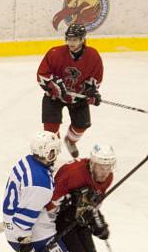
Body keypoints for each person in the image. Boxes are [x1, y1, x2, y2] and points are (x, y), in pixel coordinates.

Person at [36, 23, 104, 158]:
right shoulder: (55, 53)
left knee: (81, 125)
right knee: (50, 130)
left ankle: (70, 141)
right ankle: (52, 153)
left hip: (77, 97)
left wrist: (91, 92)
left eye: (75, 40)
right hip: (53, 97)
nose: (71, 43)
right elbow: (42, 75)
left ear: (83, 39)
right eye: (69, 39)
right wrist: (54, 84)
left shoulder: (93, 56)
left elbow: (95, 78)